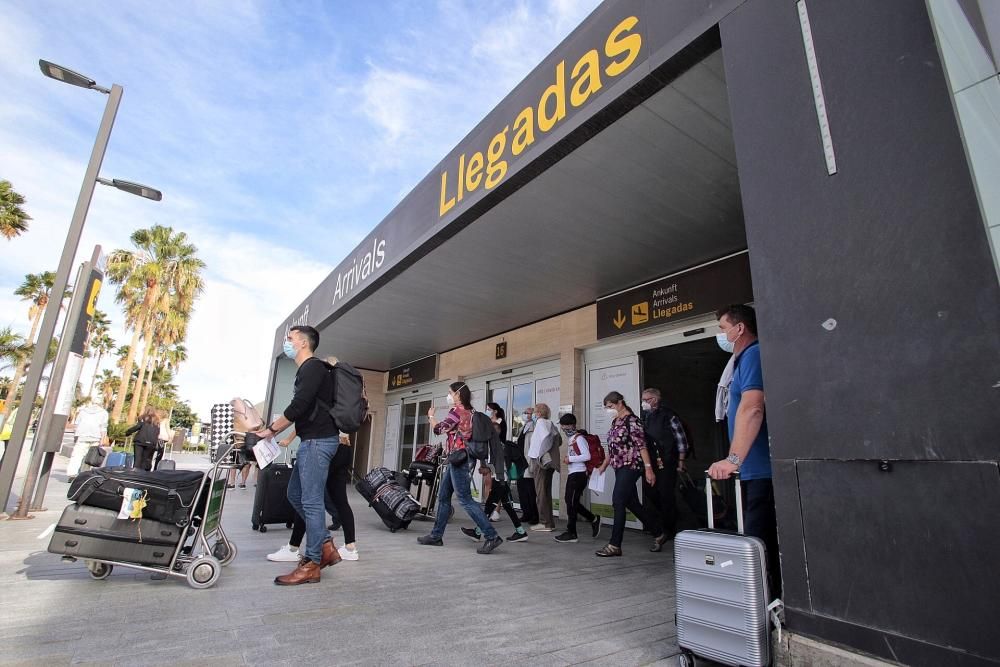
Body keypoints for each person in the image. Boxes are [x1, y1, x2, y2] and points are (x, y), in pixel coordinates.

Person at [254, 325, 343, 585]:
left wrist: (270, 430)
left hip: (318, 442)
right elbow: (305, 409)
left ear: (304, 343)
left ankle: (312, 563)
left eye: (290, 338)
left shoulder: (313, 367)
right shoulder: (308, 370)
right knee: (295, 495)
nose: (287, 342)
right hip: (311, 441)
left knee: (312, 501)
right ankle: (325, 544)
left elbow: (299, 406)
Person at [708, 304, 780, 597]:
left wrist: (733, 458)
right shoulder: (739, 363)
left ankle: (768, 608)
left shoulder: (754, 354)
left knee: (760, 545)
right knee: (757, 544)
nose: (721, 335)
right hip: (752, 471)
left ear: (740, 329)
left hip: (762, 469)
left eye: (723, 328)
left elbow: (752, 408)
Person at [417, 382, 503, 554]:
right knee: (443, 497)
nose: (448, 396)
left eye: (450, 393)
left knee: (465, 499)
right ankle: (436, 536)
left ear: (458, 394)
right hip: (458, 459)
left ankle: (492, 536)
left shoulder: (457, 411)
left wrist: (431, 417)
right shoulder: (470, 412)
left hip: (460, 459)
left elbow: (439, 429)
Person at [594, 391, 667, 557]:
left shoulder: (633, 421)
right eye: (606, 407)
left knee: (618, 501)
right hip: (619, 467)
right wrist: (603, 466)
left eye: (610, 406)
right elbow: (611, 448)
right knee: (631, 503)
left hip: (631, 466)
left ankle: (615, 545)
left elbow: (642, 447)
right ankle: (659, 533)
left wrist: (649, 469)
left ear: (620, 403)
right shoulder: (615, 422)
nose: (608, 410)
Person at [269, 428, 358, 562]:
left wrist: (288, 438)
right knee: (340, 500)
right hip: (344, 448)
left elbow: (305, 414)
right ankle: (350, 548)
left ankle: (294, 547)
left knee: (307, 497)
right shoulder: (347, 406)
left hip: (323, 447)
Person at [462, 405, 528, 543]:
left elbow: (499, 464)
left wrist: (487, 469)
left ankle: (478, 532)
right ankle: (520, 531)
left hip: (500, 479)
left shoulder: (498, 445)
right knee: (508, 506)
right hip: (501, 478)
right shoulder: (495, 444)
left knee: (489, 506)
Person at [639, 387, 689, 540]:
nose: (643, 403)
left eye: (646, 400)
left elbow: (681, 440)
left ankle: (669, 529)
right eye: (643, 400)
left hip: (667, 461)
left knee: (666, 494)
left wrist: (681, 461)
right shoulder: (645, 417)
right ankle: (665, 519)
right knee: (650, 492)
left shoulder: (668, 415)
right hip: (650, 462)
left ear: (654, 399)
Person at [553, 413, 601, 543]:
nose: (562, 428)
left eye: (564, 425)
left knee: (571, 503)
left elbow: (587, 456)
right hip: (573, 473)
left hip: (579, 474)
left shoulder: (579, 438)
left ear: (570, 425)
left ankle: (572, 533)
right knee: (570, 501)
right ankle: (593, 519)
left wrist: (570, 459)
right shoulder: (572, 439)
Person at [527, 403, 560, 532]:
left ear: (539, 413)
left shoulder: (540, 423)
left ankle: (544, 522)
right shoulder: (550, 423)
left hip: (540, 462)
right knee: (546, 492)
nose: (534, 414)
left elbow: (547, 438)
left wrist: (541, 453)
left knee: (540, 493)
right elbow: (558, 439)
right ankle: (549, 522)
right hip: (548, 463)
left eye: (535, 412)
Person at [67, 400, 109, 481]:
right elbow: (103, 427)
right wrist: (102, 439)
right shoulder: (104, 413)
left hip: (82, 436)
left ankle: (72, 474)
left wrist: (75, 436)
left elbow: (77, 424)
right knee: (90, 457)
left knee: (77, 456)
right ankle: (85, 474)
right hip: (96, 437)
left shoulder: (83, 412)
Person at [514, 407, 539, 526]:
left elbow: (532, 448)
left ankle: (534, 515)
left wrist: (530, 464)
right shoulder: (523, 427)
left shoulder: (534, 428)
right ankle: (526, 513)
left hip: (528, 463)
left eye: (528, 413)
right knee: (521, 490)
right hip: (520, 463)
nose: (526, 415)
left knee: (530, 491)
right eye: (524, 412)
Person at [125, 407, 161, 472]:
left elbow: (137, 427)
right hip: (151, 443)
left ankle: (135, 474)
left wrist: (128, 432)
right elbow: (157, 432)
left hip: (140, 441)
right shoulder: (157, 421)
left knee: (137, 460)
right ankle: (144, 474)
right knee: (146, 460)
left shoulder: (143, 418)